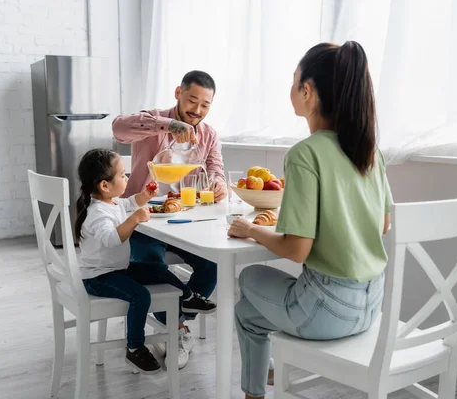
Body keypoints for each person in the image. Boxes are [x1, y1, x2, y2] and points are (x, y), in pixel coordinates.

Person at [227, 41, 392, 399]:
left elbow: (297, 250)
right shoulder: (369, 151)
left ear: (307, 91)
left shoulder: (305, 154)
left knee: (249, 276)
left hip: (325, 312)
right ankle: (258, 386)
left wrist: (252, 229)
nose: (291, 91)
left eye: (293, 82)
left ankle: (253, 392)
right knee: (247, 312)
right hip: (373, 305)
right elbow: (383, 225)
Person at [112, 71, 223, 368]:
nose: (197, 110)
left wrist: (219, 183)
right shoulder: (152, 120)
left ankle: (175, 323)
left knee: (212, 264)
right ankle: (176, 329)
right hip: (143, 217)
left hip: (183, 218)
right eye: (192, 100)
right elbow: (118, 128)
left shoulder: (208, 135)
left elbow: (215, 169)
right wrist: (169, 124)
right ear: (178, 92)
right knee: (152, 266)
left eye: (205, 105)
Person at [75, 148, 216, 374]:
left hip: (117, 269)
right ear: (104, 185)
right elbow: (112, 239)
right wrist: (134, 220)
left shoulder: (113, 202)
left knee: (158, 270)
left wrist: (145, 197)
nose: (127, 178)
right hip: (98, 277)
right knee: (140, 295)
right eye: (122, 175)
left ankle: (188, 298)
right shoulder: (98, 213)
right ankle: (134, 347)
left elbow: (131, 203)